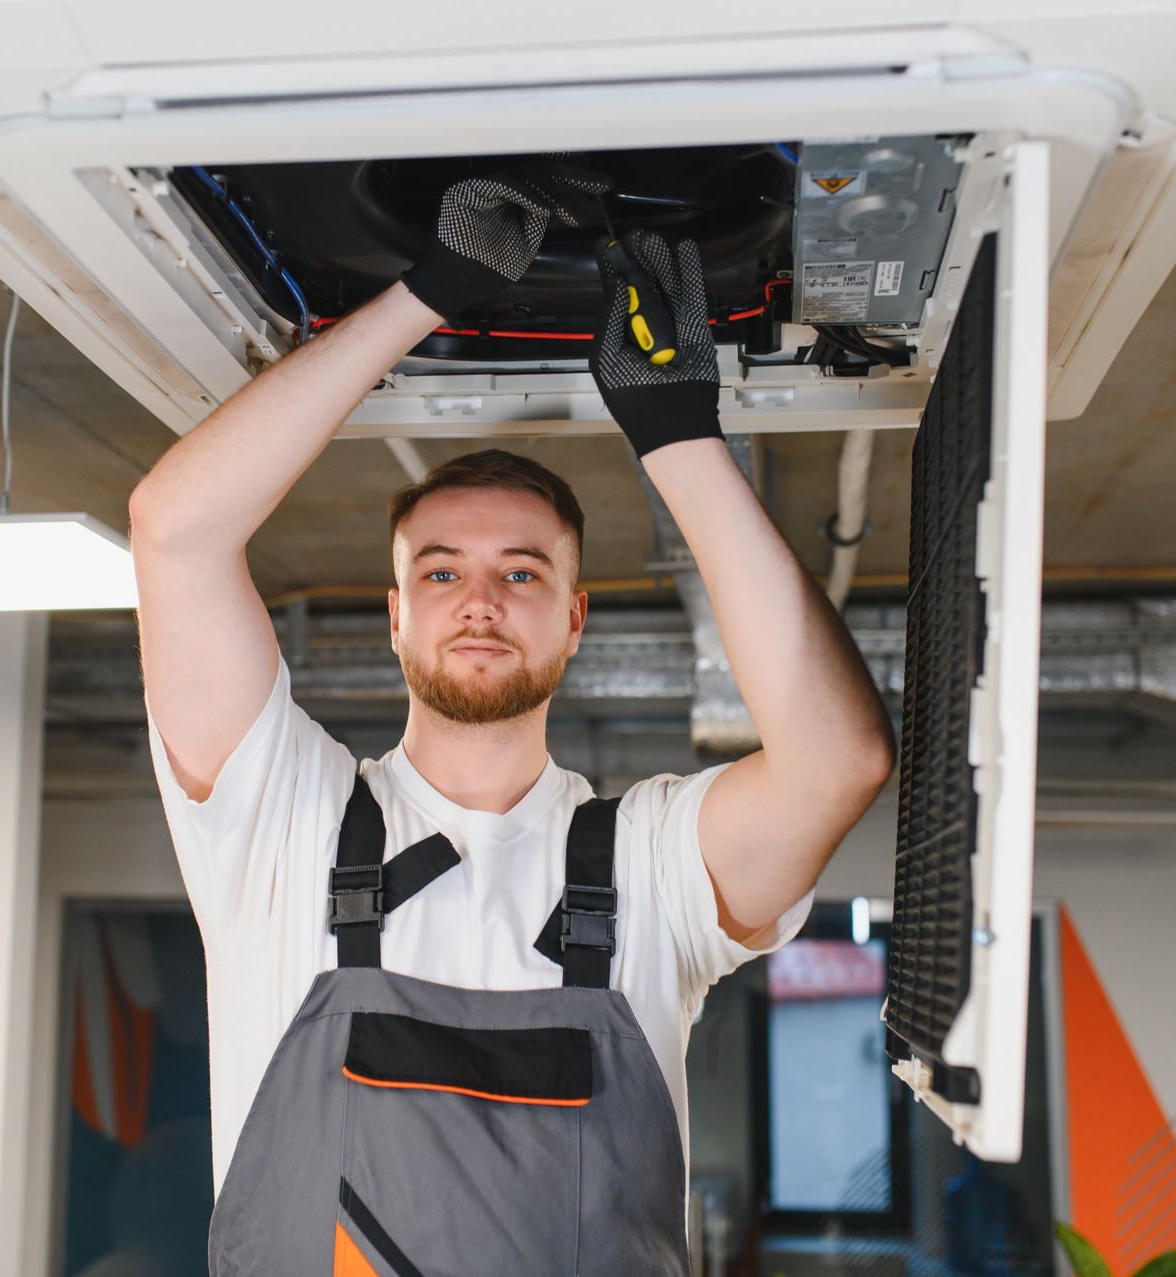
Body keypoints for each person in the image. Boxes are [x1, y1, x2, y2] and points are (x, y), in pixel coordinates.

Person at [129, 171, 896, 1275]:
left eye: (521, 572)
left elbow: (838, 763)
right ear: (395, 618)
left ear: (576, 617)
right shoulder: (282, 828)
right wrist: (426, 293)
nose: (479, 599)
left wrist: (677, 432)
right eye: (440, 571)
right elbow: (175, 528)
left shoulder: (650, 868)